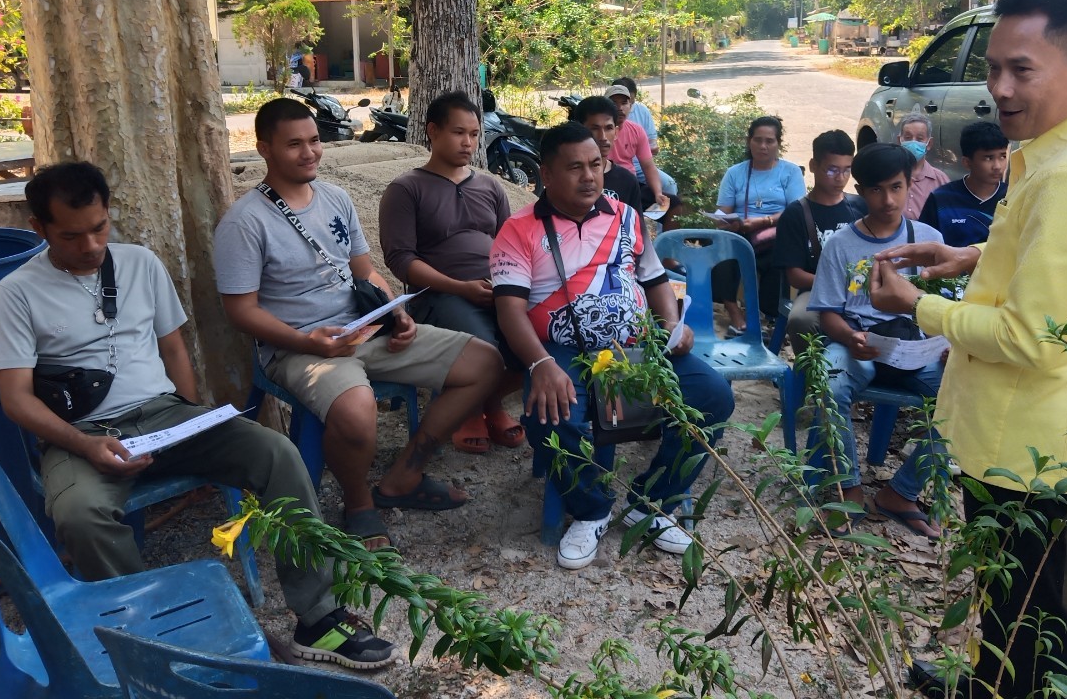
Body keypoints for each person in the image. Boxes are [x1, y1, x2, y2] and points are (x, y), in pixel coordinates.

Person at [0, 162, 395, 670]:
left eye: (99, 227)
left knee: (277, 454)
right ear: (39, 228)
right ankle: (153, 643)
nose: (91, 246)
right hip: (82, 434)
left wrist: (190, 415)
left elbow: (173, 348)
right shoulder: (17, 292)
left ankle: (319, 616)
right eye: (71, 236)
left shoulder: (139, 264)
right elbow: (16, 399)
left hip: (164, 414)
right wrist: (85, 444)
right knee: (80, 515)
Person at [870, 0, 1067, 698]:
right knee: (1019, 597)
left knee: (1024, 606)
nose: (999, 89)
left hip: (1023, 441)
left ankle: (1004, 687)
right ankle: (990, 680)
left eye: (1022, 70)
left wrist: (917, 305)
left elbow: (1032, 338)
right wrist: (969, 256)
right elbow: (1054, 260)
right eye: (994, 68)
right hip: (1054, 425)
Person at [215, 97, 503, 550]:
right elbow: (241, 311)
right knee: (356, 409)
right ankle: (358, 503)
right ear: (264, 148)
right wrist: (307, 342)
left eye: (314, 141)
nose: (309, 152)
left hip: (364, 328)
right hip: (298, 346)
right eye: (294, 144)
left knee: (485, 362)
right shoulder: (244, 222)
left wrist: (396, 312)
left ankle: (404, 476)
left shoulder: (335, 198)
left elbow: (365, 272)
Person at [489, 122, 734, 571]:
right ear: (546, 174)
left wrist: (672, 326)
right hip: (562, 351)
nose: (589, 176)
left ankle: (653, 502)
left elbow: (655, 279)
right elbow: (509, 310)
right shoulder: (519, 230)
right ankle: (591, 510)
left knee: (713, 396)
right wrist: (541, 363)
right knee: (547, 417)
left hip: (636, 347)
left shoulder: (626, 216)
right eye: (575, 168)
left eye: (596, 164)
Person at [806, 143, 945, 539]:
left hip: (916, 347)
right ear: (860, 191)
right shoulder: (841, 245)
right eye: (876, 190)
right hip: (860, 344)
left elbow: (948, 303)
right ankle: (847, 490)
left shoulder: (928, 240)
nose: (888, 200)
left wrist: (949, 343)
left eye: (896, 187)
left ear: (909, 184)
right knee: (830, 384)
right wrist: (850, 336)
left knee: (968, 397)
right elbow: (828, 313)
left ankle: (900, 494)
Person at [377, 91, 523, 455]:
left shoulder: (490, 186)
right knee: (484, 348)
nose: (468, 142)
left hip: (495, 289)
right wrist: (460, 287)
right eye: (459, 132)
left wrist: (509, 285)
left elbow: (510, 246)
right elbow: (400, 259)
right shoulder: (406, 189)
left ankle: (487, 403)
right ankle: (473, 410)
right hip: (438, 295)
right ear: (433, 131)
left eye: (474, 134)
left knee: (538, 335)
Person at [772, 129, 867, 356]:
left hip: (860, 287)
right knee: (800, 320)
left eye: (847, 170)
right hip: (815, 291)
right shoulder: (795, 214)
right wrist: (839, 284)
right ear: (813, 165)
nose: (840, 178)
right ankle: (812, 373)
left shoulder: (861, 207)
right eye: (832, 170)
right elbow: (795, 276)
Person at [712, 116, 806, 337]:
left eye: (769, 141)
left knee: (778, 251)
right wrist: (725, 221)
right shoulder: (735, 173)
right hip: (741, 232)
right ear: (749, 141)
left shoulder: (790, 172)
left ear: (778, 143)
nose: (763, 146)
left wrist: (764, 221)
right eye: (758, 140)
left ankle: (768, 315)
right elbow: (723, 212)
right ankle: (735, 314)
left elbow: (796, 211)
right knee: (723, 245)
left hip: (776, 231)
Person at [918, 121, 1009, 248]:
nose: (997, 166)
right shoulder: (941, 199)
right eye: (988, 158)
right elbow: (924, 246)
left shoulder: (1013, 196)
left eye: (1003, 156)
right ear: (967, 162)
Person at [610, 76, 681, 228]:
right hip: (607, 187)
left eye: (624, 103)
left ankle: (663, 241)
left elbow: (648, 165)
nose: (619, 108)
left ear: (631, 105)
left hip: (632, 185)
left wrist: (657, 193)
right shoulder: (597, 130)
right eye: (614, 103)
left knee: (673, 204)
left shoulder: (636, 130)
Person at [570, 95, 643, 213]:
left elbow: (636, 223)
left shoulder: (627, 181)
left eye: (609, 128)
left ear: (616, 132)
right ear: (579, 130)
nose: (603, 137)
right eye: (594, 128)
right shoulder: (566, 178)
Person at [898, 111, 949, 220]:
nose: (913, 142)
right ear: (899, 141)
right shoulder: (888, 175)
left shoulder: (940, 181)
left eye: (920, 139)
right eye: (908, 137)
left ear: (929, 144)